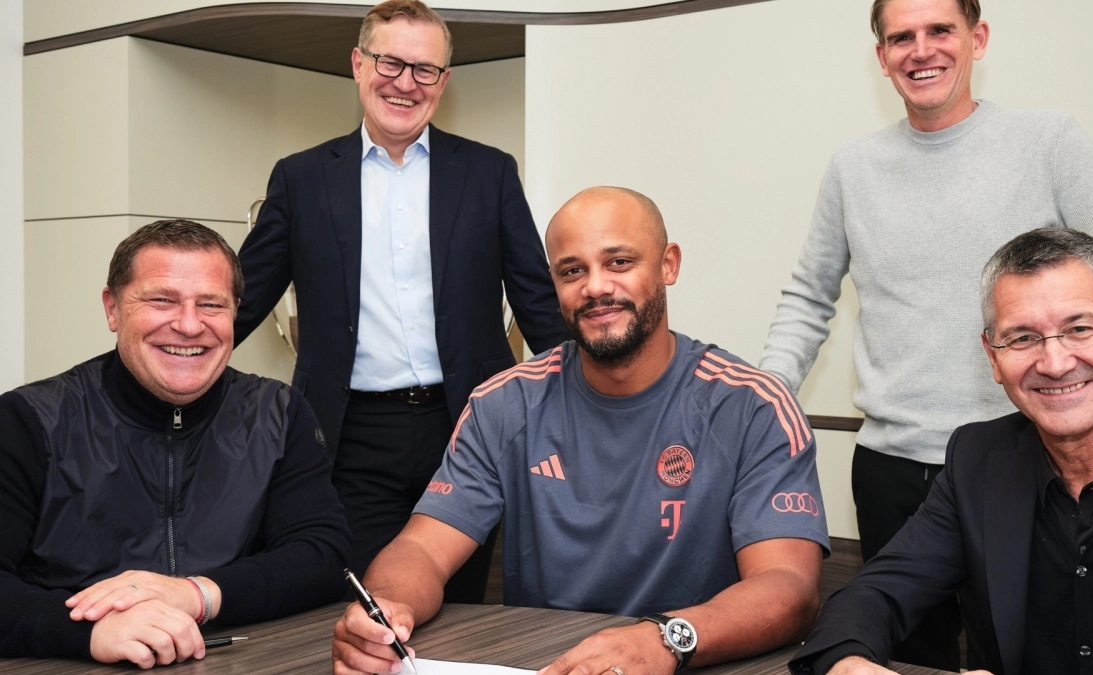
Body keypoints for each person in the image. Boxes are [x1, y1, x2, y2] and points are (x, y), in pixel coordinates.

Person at [759, 0, 1093, 667]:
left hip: (1033, 458)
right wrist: (761, 409)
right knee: (902, 647)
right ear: (881, 57)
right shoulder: (853, 168)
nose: (922, 50)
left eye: (941, 29)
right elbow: (807, 296)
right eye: (901, 37)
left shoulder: (1049, 141)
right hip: (894, 466)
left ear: (978, 38)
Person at [330, 187, 829, 675]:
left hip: (696, 660)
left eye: (619, 262)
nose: (595, 287)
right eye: (572, 271)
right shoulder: (503, 403)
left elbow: (789, 586)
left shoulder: (753, 406)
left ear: (668, 265)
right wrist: (387, 608)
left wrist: (666, 638)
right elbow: (421, 549)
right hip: (550, 664)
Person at [234, 0, 568, 598]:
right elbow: (242, 298)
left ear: (444, 79)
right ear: (358, 64)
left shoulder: (489, 173)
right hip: (350, 437)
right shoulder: (301, 179)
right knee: (367, 606)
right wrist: (169, 362)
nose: (406, 83)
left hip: (470, 429)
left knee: (460, 607)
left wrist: (597, 399)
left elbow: (538, 303)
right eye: (390, 63)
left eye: (425, 69)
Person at [790, 227, 1093, 675]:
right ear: (992, 356)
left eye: (1079, 329)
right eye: (1022, 338)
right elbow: (876, 594)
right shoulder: (978, 460)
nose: (1054, 363)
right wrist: (850, 664)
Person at [0, 220, 350, 667]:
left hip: (240, 661)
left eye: (211, 304)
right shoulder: (27, 421)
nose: (189, 325)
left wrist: (195, 594)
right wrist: (89, 631)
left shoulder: (279, 413)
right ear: (112, 308)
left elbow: (322, 556)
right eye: (162, 300)